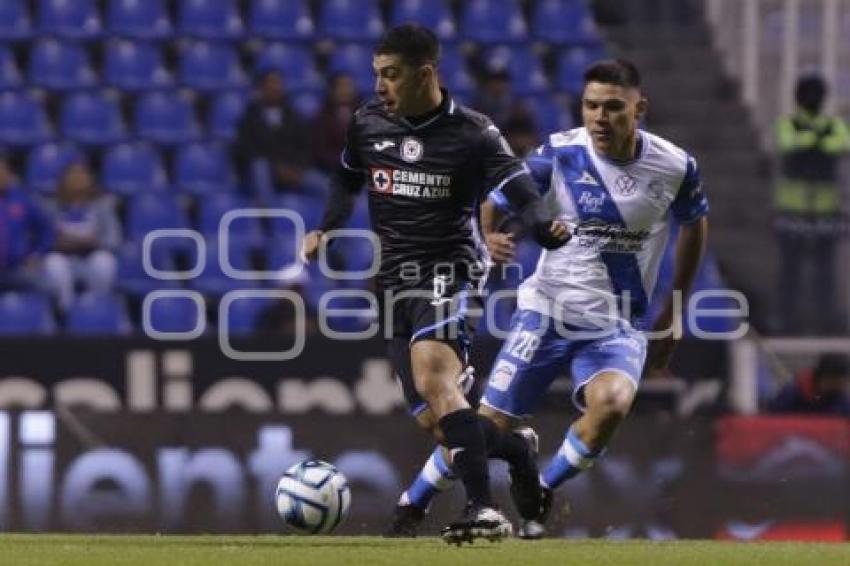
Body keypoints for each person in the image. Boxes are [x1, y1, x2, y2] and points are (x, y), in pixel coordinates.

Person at [390, 59, 709, 539]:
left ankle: (537, 489)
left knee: (613, 407)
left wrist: (674, 313)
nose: (599, 117)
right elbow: (494, 200)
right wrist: (489, 236)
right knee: (481, 425)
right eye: (591, 106)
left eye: (613, 108)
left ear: (639, 108)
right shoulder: (560, 153)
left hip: (617, 325)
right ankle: (412, 503)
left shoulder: (675, 166)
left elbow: (694, 225)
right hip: (546, 313)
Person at [300, 24, 569, 544]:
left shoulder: (474, 133)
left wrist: (541, 228)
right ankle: (517, 451)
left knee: (433, 376)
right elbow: (345, 178)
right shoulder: (368, 123)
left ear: (426, 73)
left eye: (391, 75)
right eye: (377, 74)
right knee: (441, 421)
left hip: (450, 269)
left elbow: (520, 189)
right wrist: (325, 226)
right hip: (393, 282)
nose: (380, 86)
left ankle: (483, 510)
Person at [773, 74, 850, 334]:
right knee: (790, 270)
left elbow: (841, 143)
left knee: (824, 272)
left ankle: (825, 321)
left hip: (825, 210)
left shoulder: (834, 125)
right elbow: (789, 143)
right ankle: (787, 321)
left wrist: (811, 140)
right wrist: (817, 140)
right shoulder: (788, 123)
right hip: (792, 210)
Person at [43, 161, 121, 313]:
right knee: (53, 264)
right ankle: (65, 310)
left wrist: (95, 242)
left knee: (105, 262)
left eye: (81, 175)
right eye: (72, 175)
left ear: (90, 180)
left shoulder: (102, 206)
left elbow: (114, 239)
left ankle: (96, 307)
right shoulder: (49, 207)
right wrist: (57, 243)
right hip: (62, 256)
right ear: (62, 180)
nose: (77, 179)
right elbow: (43, 237)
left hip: (91, 256)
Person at [233, 69, 316, 202]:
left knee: (324, 184)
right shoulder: (249, 118)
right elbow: (245, 149)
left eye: (278, 83)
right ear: (261, 88)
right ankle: (268, 216)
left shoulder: (295, 117)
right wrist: (276, 167)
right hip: (263, 172)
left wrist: (294, 168)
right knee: (260, 167)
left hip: (292, 170)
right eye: (271, 83)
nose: (275, 87)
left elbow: (305, 146)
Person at [0, 153, 54, 293]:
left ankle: (56, 314)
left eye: (3, 170)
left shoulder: (23, 199)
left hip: (16, 268)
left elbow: (46, 229)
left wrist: (36, 255)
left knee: (47, 288)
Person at [768, 354, 850, 416]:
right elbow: (772, 419)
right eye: (837, 381)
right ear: (824, 377)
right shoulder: (792, 393)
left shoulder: (841, 399)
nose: (843, 385)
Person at [312, 74, 361, 173]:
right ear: (332, 90)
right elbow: (320, 150)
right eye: (341, 86)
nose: (345, 90)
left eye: (348, 86)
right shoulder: (322, 116)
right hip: (330, 169)